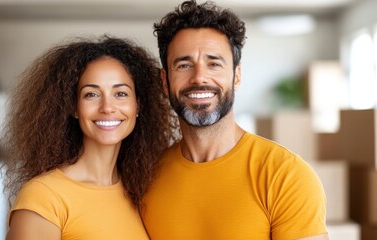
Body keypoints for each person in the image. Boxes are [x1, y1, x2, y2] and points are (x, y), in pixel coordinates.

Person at [141, 1, 329, 239]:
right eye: (184, 64)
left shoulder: (285, 175)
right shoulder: (147, 178)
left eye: (214, 63)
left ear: (236, 76)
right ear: (165, 82)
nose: (199, 77)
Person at [0, 36, 176, 240]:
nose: (107, 107)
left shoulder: (139, 194)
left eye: (120, 94)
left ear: (137, 105)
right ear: (73, 107)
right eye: (91, 94)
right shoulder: (45, 197)